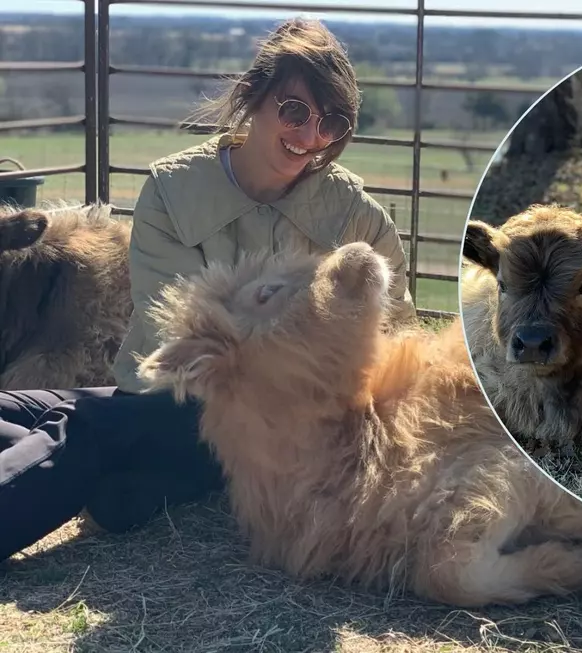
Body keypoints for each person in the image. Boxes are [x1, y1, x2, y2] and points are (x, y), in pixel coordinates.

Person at [0, 17, 416, 562]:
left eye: (331, 122)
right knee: (19, 406)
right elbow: (169, 334)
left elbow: (398, 337)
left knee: (86, 430)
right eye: (294, 110)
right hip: (178, 397)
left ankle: (128, 483)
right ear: (253, 97)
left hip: (283, 426)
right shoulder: (173, 193)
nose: (310, 135)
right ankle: (140, 489)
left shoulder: (360, 219)